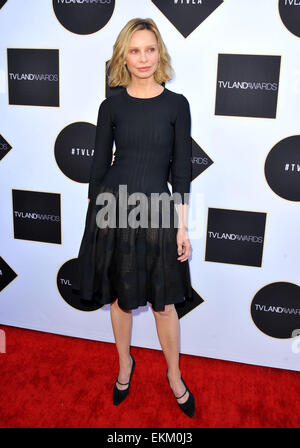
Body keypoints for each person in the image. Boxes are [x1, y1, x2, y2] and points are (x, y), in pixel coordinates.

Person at [72, 18, 195, 418]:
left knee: (164, 305)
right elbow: (97, 165)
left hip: (158, 209)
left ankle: (174, 374)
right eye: (134, 50)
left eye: (149, 49)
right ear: (123, 56)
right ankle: (125, 364)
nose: (143, 58)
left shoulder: (177, 105)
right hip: (114, 208)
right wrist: (94, 220)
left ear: (159, 52)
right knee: (120, 301)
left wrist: (182, 225)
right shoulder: (111, 105)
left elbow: (180, 172)